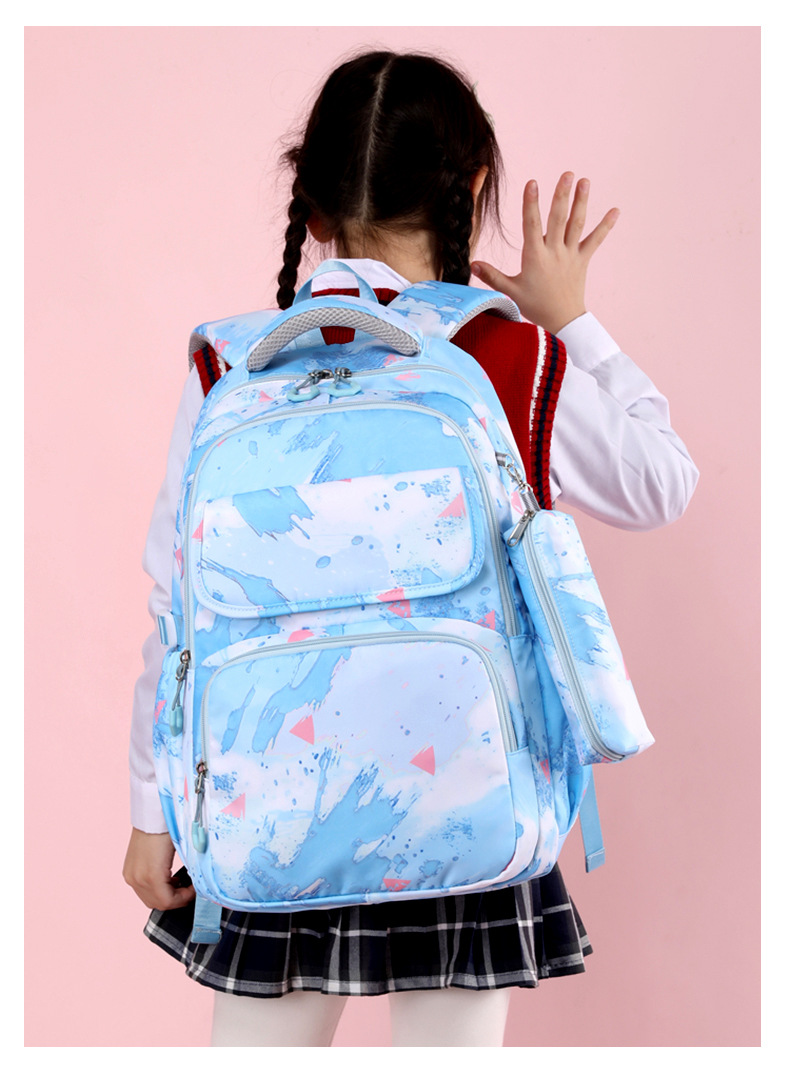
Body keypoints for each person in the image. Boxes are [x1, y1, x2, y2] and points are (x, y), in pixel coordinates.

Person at [122, 50, 699, 1047]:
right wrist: (571, 321)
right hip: (468, 803)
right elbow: (662, 480)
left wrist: (151, 807)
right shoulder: (506, 355)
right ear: (471, 189)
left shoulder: (230, 367)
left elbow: (177, 601)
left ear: (310, 206)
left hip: (273, 804)